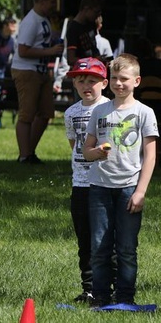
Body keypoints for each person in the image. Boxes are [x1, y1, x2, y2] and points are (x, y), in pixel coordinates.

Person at [82, 54, 158, 307]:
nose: (119, 83)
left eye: (124, 79)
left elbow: (150, 155)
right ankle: (100, 297)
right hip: (99, 188)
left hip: (129, 188)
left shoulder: (144, 113)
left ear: (136, 81)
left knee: (126, 248)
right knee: (100, 247)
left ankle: (125, 297)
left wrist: (141, 191)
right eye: (114, 78)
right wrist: (96, 153)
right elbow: (86, 150)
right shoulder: (99, 111)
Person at [63, 57, 110, 303]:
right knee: (85, 239)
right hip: (80, 183)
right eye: (80, 81)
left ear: (104, 83)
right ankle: (90, 287)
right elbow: (75, 146)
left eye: (92, 80)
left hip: (106, 182)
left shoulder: (111, 109)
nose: (86, 85)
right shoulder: (71, 113)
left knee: (105, 237)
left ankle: (109, 288)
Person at [11, 0, 64, 164]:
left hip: (40, 71)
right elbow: (23, 51)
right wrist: (50, 52)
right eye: (51, 2)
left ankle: (29, 152)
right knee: (26, 115)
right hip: (27, 72)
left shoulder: (44, 19)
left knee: (45, 113)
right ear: (40, 1)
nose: (53, 6)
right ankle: (24, 156)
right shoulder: (30, 21)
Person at [66, 0, 104, 66]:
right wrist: (93, 60)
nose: (98, 15)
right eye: (96, 12)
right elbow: (71, 59)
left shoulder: (91, 24)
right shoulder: (73, 29)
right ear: (86, 8)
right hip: (81, 71)